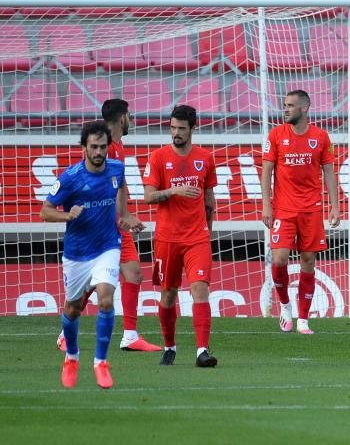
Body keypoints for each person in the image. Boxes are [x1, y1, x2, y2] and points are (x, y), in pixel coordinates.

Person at [41, 121, 142, 388]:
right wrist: (66, 214)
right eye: (94, 147)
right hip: (77, 253)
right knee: (73, 308)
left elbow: (120, 188)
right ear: (84, 147)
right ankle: (72, 357)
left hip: (107, 246)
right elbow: (45, 210)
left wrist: (126, 216)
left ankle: (101, 362)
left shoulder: (117, 169)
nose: (99, 151)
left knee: (106, 299)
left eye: (103, 146)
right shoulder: (70, 178)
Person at [56, 99, 161, 353]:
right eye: (130, 116)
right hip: (104, 228)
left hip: (115, 225)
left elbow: (120, 185)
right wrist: (123, 217)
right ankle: (66, 333)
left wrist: (126, 214)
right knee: (101, 280)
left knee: (132, 274)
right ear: (122, 117)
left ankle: (130, 335)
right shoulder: (107, 149)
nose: (131, 120)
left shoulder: (116, 147)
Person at [142, 105, 218, 367]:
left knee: (200, 290)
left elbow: (209, 198)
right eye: (173, 127)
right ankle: (169, 347)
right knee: (168, 295)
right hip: (167, 238)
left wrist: (207, 228)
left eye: (181, 129)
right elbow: (148, 197)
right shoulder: (158, 157)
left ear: (192, 129)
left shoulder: (205, 158)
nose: (176, 133)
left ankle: (202, 352)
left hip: (197, 237)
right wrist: (175, 191)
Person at [261, 90, 341, 335]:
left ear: (304, 109)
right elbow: (266, 172)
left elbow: (328, 172)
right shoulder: (276, 135)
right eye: (284, 105)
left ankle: (303, 319)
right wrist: (266, 205)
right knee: (279, 259)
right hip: (284, 209)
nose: (285, 109)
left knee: (308, 261)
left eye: (290, 105)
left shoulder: (320, 137)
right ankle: (285, 305)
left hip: (311, 210)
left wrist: (335, 206)